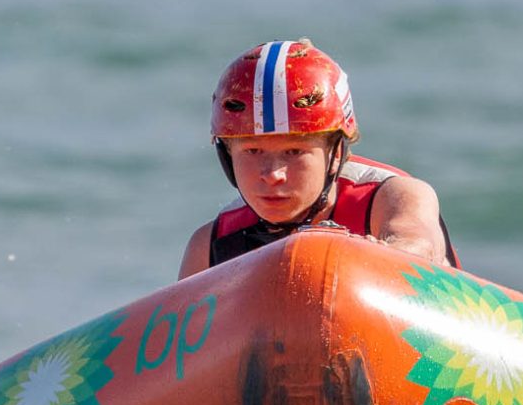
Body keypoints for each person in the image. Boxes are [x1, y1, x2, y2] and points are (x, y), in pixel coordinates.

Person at [180, 40, 457, 276]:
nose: (273, 174)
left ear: (335, 154)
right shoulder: (210, 247)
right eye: (253, 151)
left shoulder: (393, 198)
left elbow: (416, 244)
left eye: (294, 152)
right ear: (228, 157)